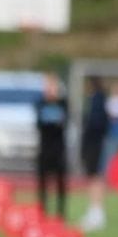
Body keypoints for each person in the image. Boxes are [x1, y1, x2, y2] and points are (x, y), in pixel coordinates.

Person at [35, 74, 69, 220]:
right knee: (43, 181)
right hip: (45, 148)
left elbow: (63, 123)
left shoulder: (62, 104)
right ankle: (42, 211)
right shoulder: (40, 103)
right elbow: (40, 124)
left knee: (60, 182)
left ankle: (60, 213)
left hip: (58, 149)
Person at [78, 77, 109, 231]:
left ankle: (97, 213)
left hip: (95, 144)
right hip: (94, 143)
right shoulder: (97, 100)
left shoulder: (98, 100)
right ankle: (94, 211)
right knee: (93, 177)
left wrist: (88, 139)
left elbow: (97, 124)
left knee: (95, 177)